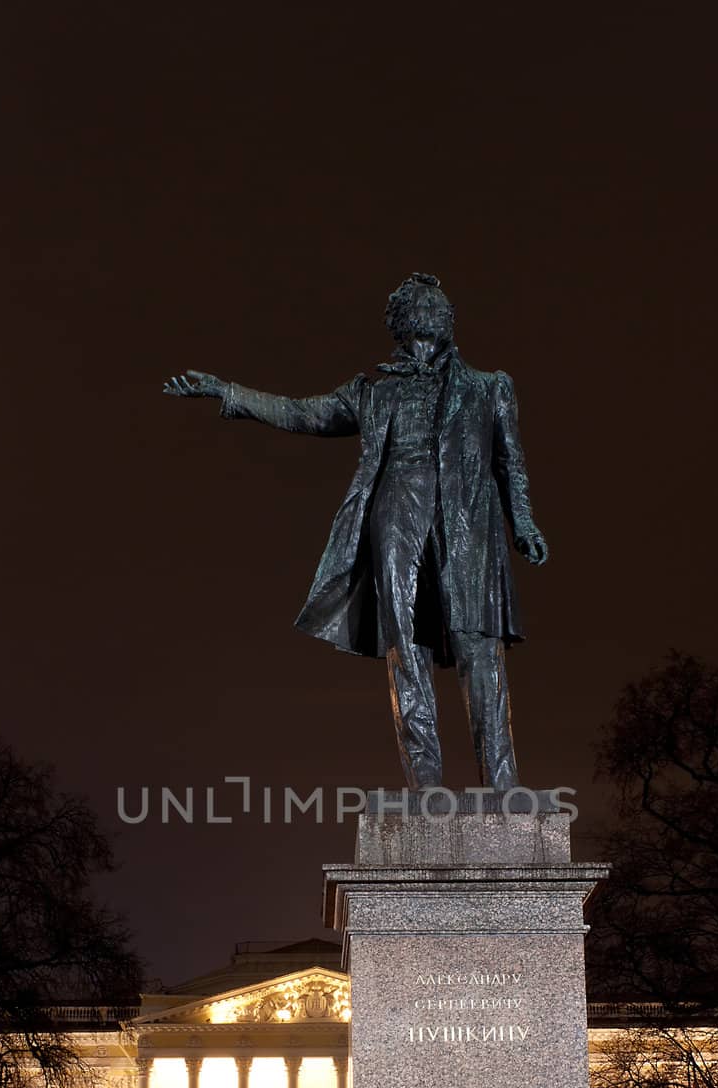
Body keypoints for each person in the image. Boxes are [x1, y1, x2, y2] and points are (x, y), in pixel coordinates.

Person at [164, 273, 547, 790]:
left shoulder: (488, 388)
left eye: (442, 303)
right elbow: (304, 413)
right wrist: (228, 392)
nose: (437, 309)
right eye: (424, 302)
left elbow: (511, 461)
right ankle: (425, 790)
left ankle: (503, 786)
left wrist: (522, 522)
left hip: (469, 523)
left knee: (477, 642)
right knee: (405, 642)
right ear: (403, 319)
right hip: (396, 513)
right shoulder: (373, 391)